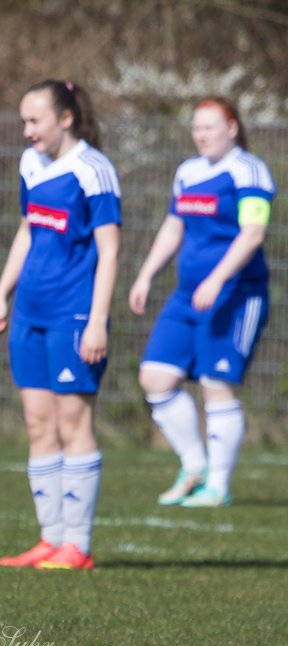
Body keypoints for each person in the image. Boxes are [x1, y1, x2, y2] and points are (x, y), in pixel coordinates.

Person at [0, 80, 121, 571]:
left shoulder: (94, 170)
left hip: (75, 315)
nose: (27, 131)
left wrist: (98, 322)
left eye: (34, 121)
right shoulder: (30, 164)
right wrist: (3, 292)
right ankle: (50, 539)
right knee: (39, 424)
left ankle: (77, 547)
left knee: (73, 423)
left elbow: (110, 250)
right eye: (23, 121)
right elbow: (28, 230)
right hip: (30, 313)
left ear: (65, 118)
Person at [128, 97, 274, 508]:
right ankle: (194, 467)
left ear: (232, 128)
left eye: (210, 127)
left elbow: (252, 233)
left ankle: (218, 485)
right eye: (196, 127)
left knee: (216, 385)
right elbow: (174, 226)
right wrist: (145, 274)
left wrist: (216, 279)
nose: (201, 135)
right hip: (186, 297)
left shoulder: (248, 170)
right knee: (155, 378)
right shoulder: (188, 173)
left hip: (235, 294)